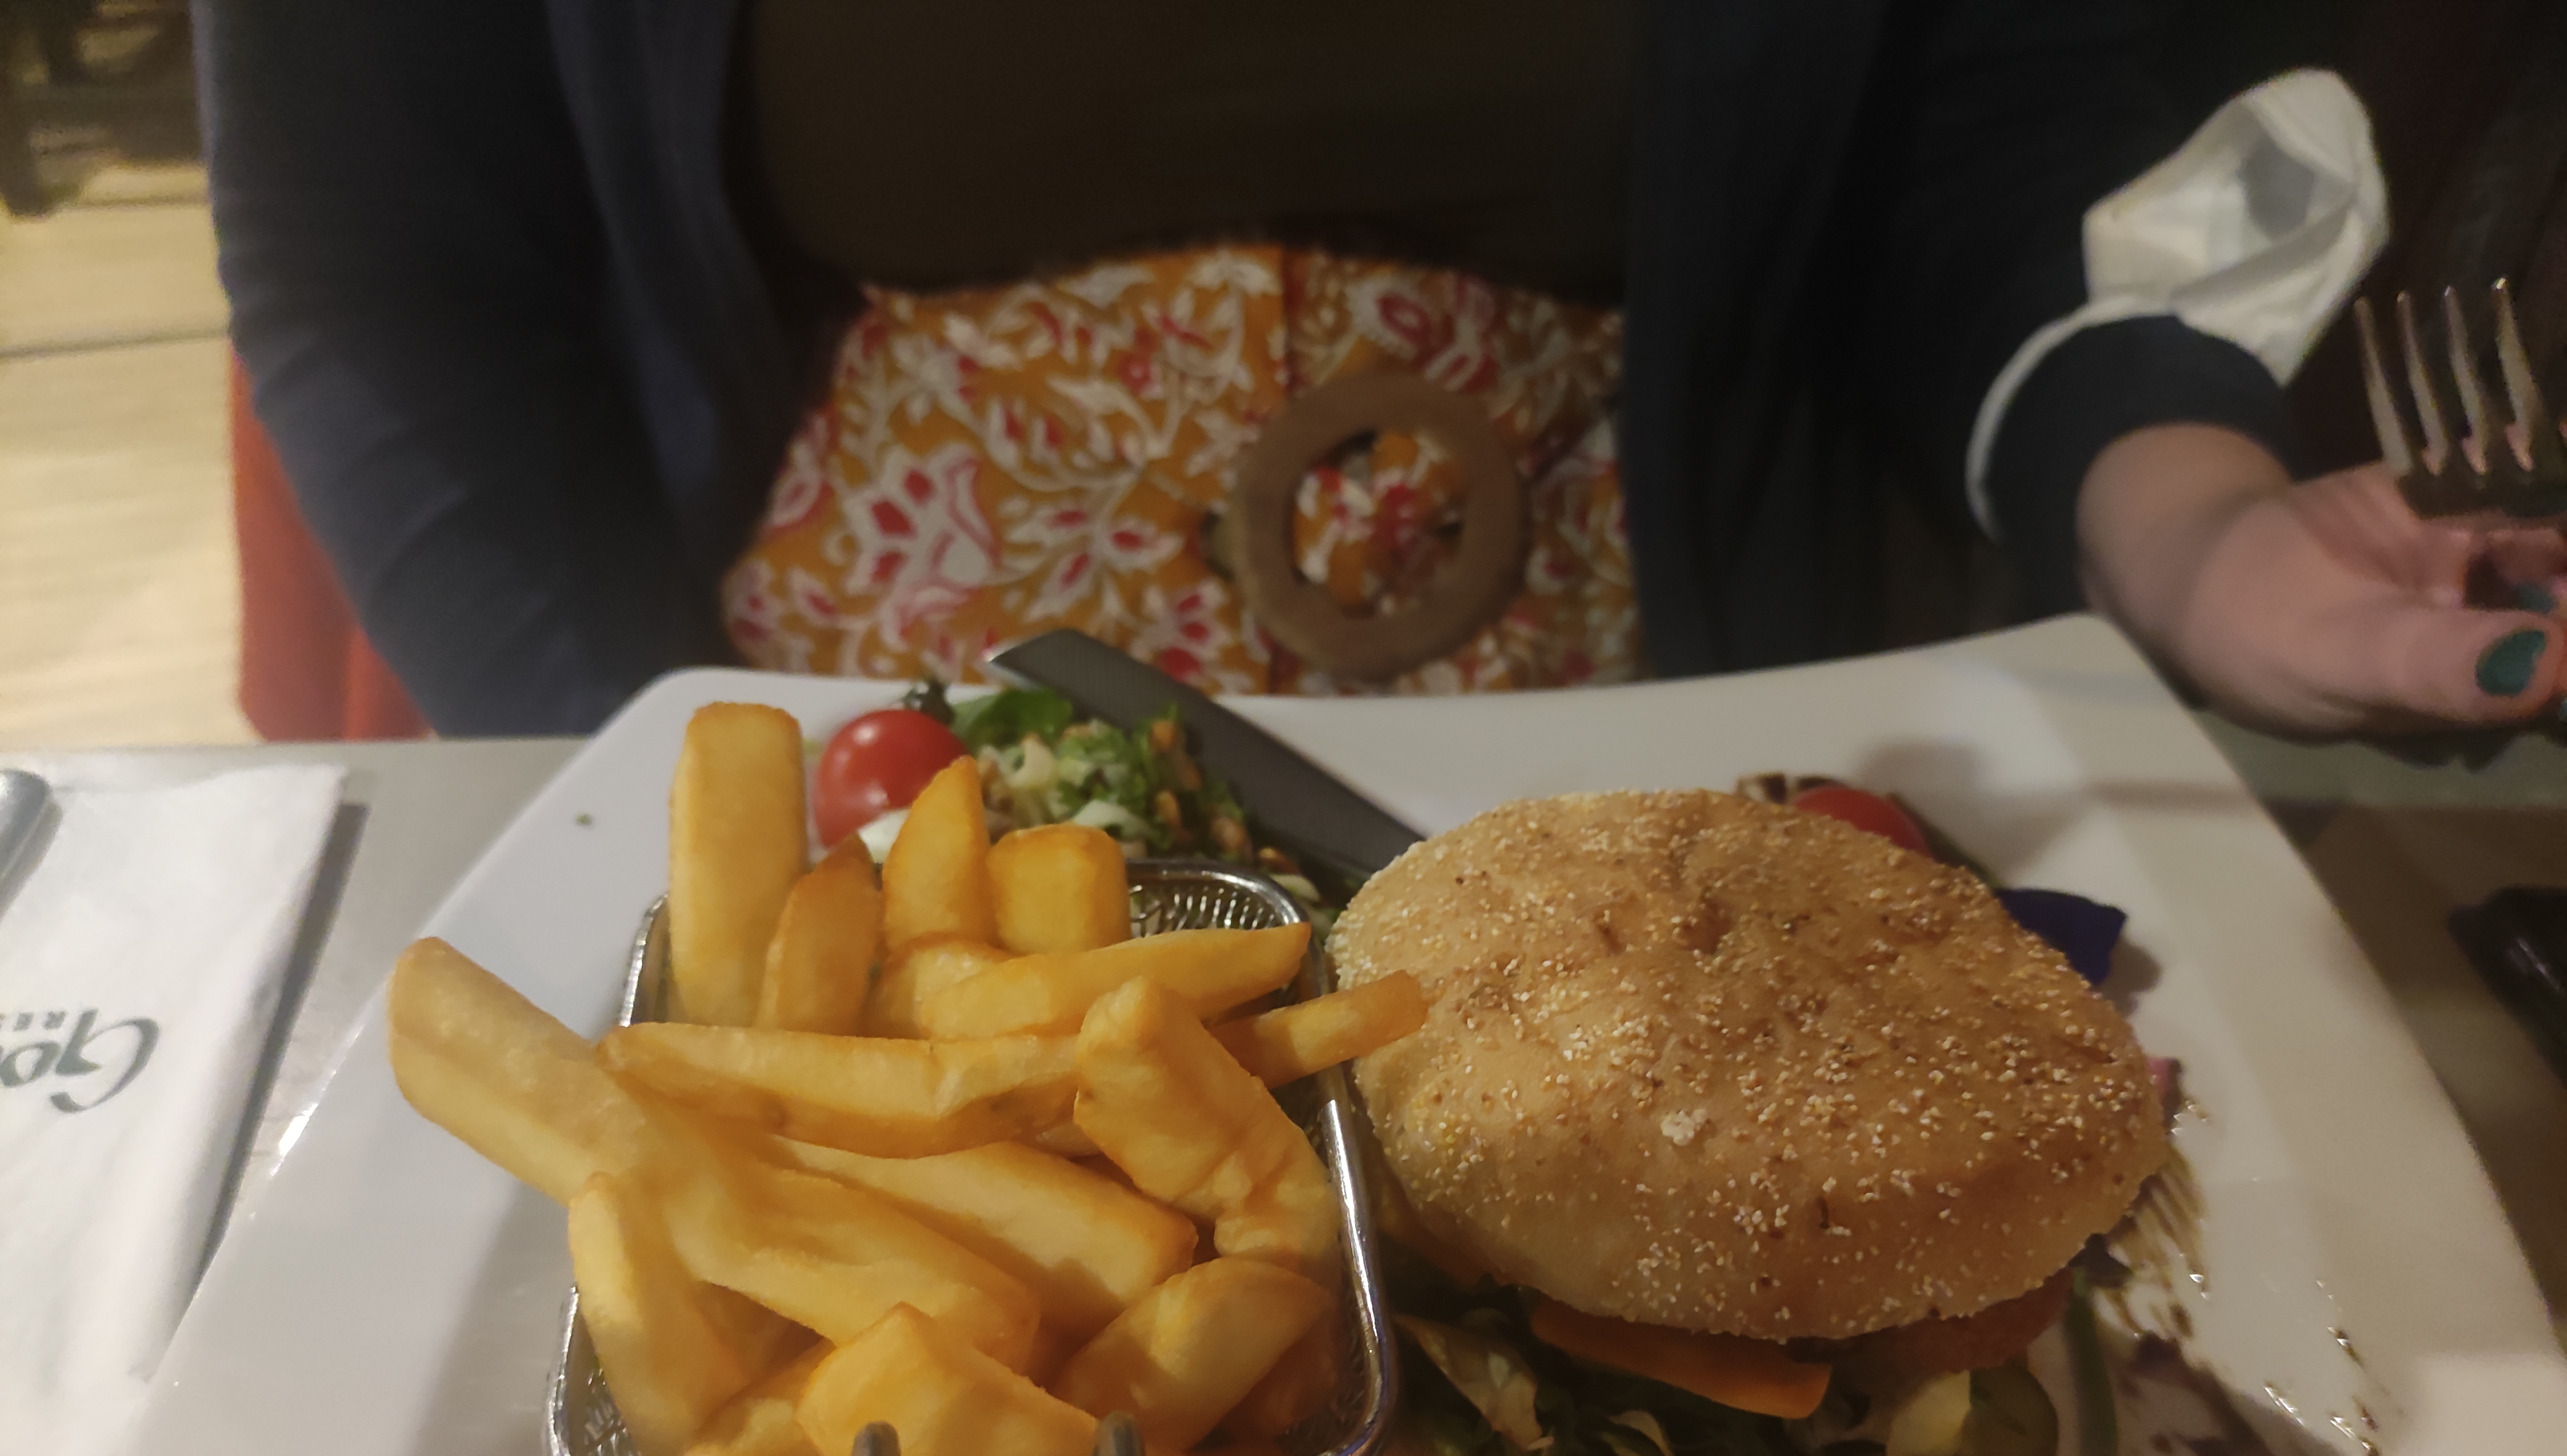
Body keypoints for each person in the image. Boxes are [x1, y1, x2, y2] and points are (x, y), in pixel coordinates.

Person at [200, 0, 2565, 737]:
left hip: (1654, 795)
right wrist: (660, 804)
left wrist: (2192, 522)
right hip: (865, 808)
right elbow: (381, 272)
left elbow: (1981, 125)